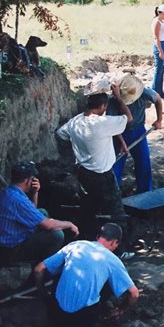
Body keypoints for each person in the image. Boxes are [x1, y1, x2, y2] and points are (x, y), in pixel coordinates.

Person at [56, 85, 132, 238]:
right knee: (115, 212)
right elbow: (128, 118)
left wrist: (75, 152)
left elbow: (60, 134)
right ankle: (119, 248)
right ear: (103, 106)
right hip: (102, 176)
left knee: (88, 210)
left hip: (83, 174)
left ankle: (88, 238)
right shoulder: (101, 123)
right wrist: (119, 98)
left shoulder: (75, 122)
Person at [34, 223, 139, 327]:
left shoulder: (75, 245)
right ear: (115, 242)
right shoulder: (112, 260)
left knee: (62, 268)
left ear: (98, 236)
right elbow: (134, 294)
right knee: (109, 281)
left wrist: (43, 294)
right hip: (81, 320)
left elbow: (39, 269)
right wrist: (120, 309)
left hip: (55, 314)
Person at [0, 161, 79, 265]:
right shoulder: (18, 200)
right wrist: (69, 224)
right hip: (8, 251)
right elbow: (49, 225)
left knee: (42, 212)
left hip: (8, 241)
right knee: (56, 235)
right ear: (28, 181)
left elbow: (32, 211)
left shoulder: (11, 192)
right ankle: (43, 269)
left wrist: (35, 192)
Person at [107, 74, 163, 194]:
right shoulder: (112, 101)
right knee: (116, 165)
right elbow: (112, 126)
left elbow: (158, 99)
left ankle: (145, 193)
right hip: (119, 134)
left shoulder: (143, 92)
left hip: (139, 131)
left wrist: (159, 120)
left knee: (143, 163)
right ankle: (114, 195)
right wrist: (122, 143)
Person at [151, 4, 164, 99]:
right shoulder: (156, 22)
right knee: (158, 69)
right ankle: (155, 91)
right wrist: (160, 51)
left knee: (162, 70)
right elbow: (156, 37)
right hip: (160, 45)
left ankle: (160, 91)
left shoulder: (161, 22)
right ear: (162, 13)